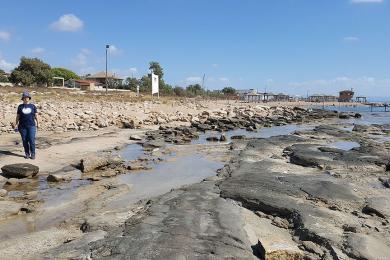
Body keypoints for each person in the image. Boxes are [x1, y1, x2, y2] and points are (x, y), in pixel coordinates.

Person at [14, 91, 39, 159]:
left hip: (31, 126)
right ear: (22, 98)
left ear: (29, 98)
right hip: (22, 127)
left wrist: (38, 123)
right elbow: (18, 116)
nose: (25, 98)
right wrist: (16, 124)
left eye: (27, 97)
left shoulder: (33, 106)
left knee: (31, 140)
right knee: (25, 141)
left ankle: (33, 154)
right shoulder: (20, 107)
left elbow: (36, 115)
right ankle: (27, 153)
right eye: (24, 97)